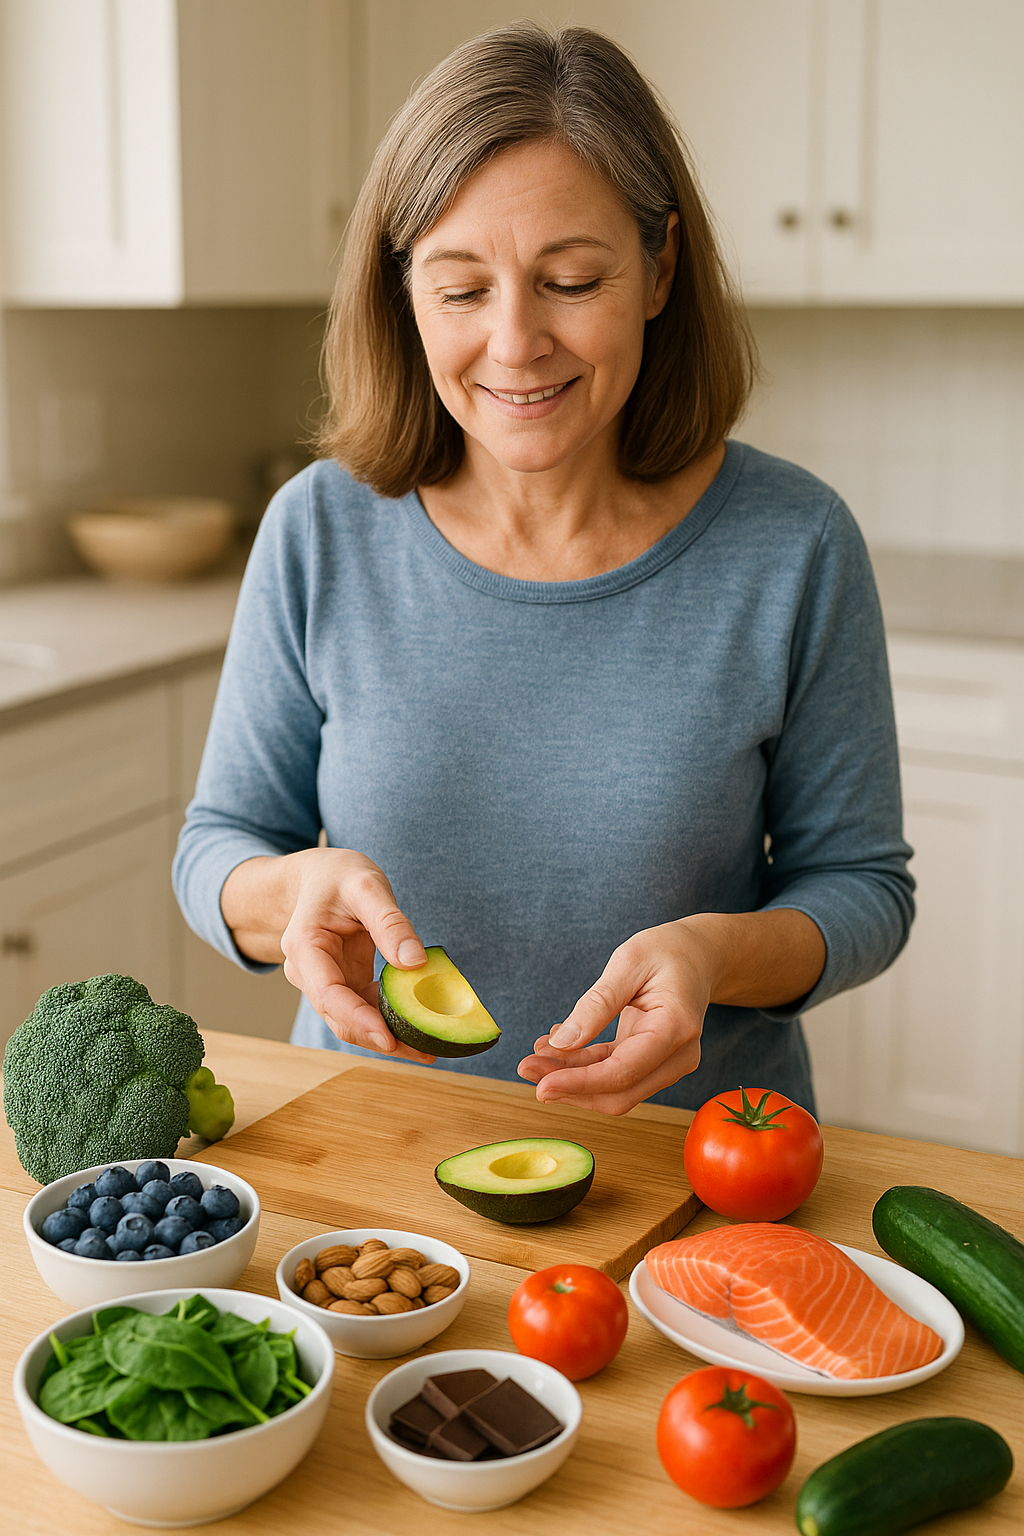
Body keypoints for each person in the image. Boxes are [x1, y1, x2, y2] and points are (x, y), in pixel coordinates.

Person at [173, 23, 913, 1119]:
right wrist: (285, 893)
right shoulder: (318, 531)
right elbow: (215, 848)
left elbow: (863, 892)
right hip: (373, 1161)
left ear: (660, 269)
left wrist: (716, 957)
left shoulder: (793, 545)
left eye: (569, 279)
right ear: (401, 290)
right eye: (461, 290)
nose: (516, 342)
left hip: (693, 1160)